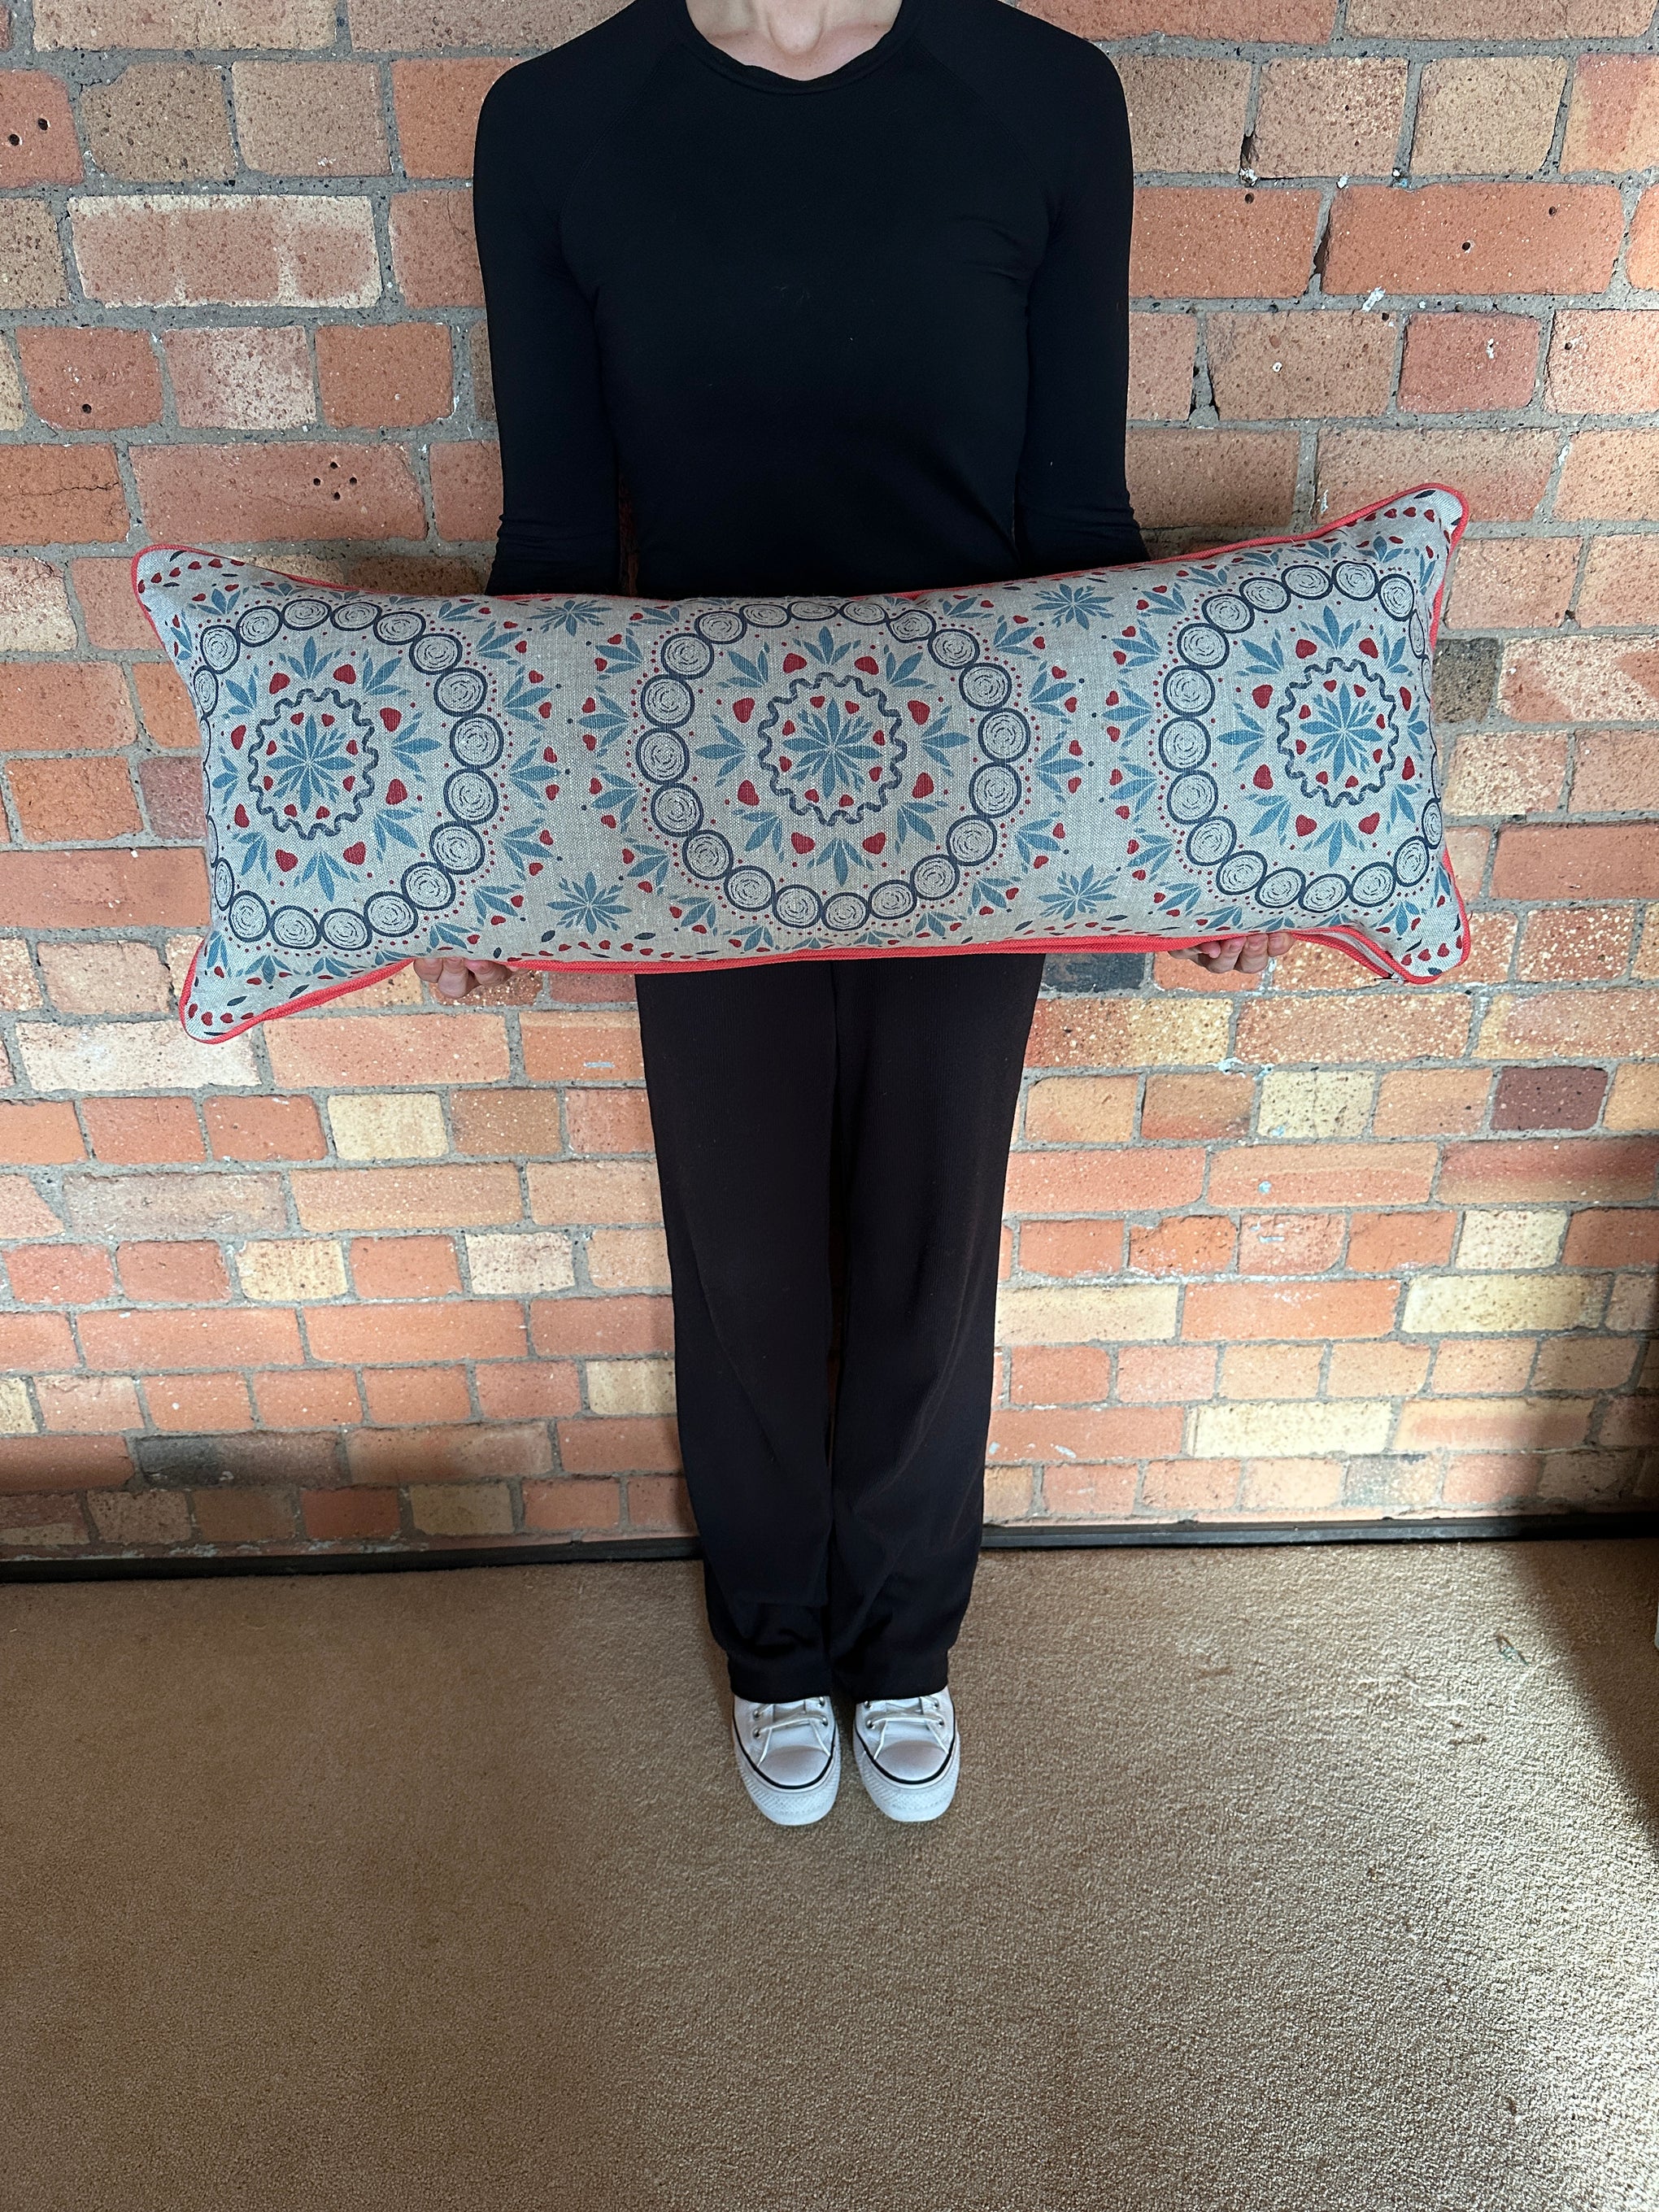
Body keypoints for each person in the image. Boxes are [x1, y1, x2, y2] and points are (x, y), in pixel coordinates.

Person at [419, 0, 1289, 1828]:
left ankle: (901, 1638)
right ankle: (772, 1639)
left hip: (978, 803)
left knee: (926, 1247)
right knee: (742, 1259)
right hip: (684, 810)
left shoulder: (1043, 98)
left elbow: (1078, 514)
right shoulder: (559, 123)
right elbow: (560, 539)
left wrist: (1179, 840)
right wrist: (495, 849)